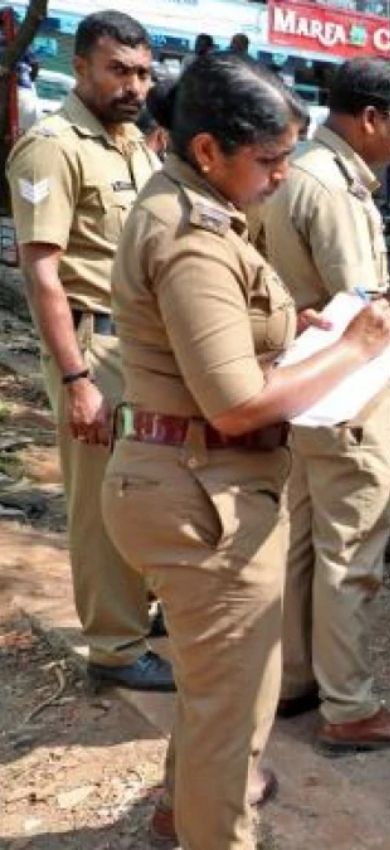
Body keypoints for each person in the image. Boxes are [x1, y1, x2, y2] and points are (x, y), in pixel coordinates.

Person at [102, 53, 390, 850]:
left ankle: (181, 810)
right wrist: (353, 349)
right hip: (205, 495)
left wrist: (295, 332)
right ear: (208, 150)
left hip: (192, 482)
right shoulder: (191, 237)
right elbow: (233, 405)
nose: (281, 176)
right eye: (269, 160)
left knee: (215, 691)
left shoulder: (193, 208)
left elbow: (217, 342)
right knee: (235, 709)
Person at [258, 57, 390, 751]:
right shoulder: (334, 189)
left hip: (304, 389)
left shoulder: (298, 172)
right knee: (350, 548)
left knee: (302, 541)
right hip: (346, 395)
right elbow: (362, 311)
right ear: (371, 118)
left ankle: (295, 679)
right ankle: (350, 707)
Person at [6, 10, 172, 692]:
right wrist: (76, 378)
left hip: (143, 343)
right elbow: (41, 272)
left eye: (143, 73)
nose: (134, 86)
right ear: (79, 68)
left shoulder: (133, 144)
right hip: (94, 345)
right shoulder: (52, 147)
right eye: (119, 71)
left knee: (149, 488)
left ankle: (143, 609)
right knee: (104, 500)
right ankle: (113, 646)